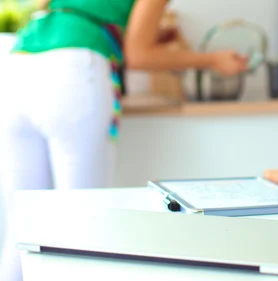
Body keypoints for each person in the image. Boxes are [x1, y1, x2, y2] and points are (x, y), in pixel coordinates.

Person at [0, 0, 248, 280]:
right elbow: (138, 54)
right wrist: (212, 60)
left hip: (18, 67)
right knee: (84, 226)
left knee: (23, 229)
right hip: (72, 70)